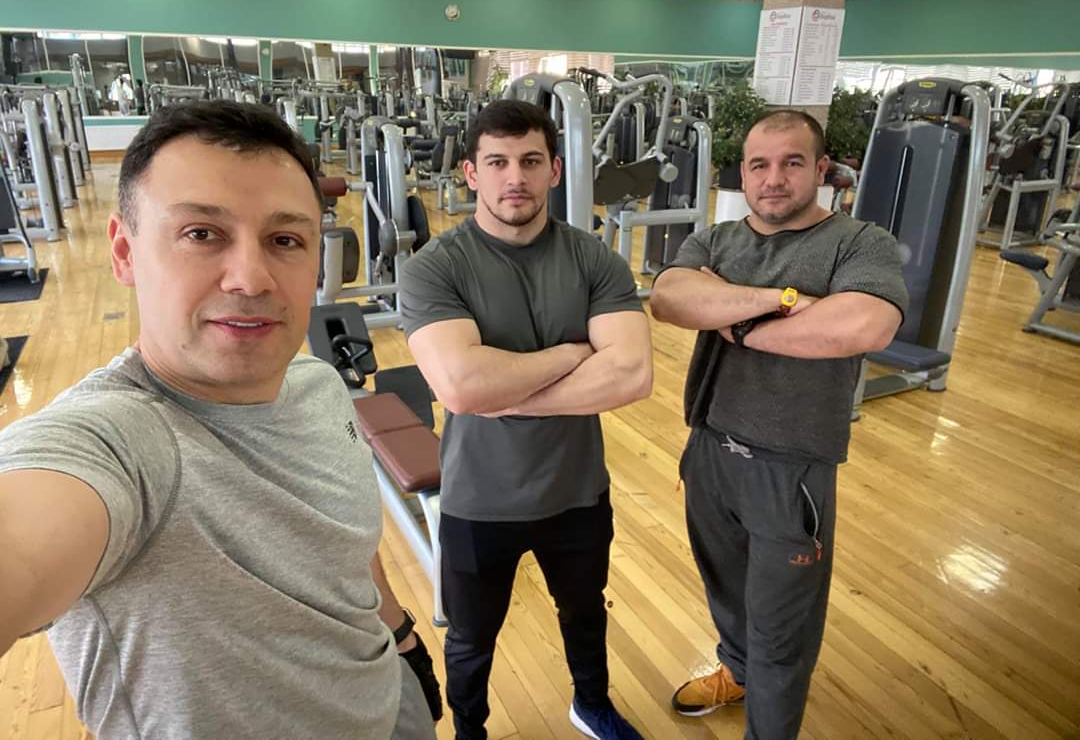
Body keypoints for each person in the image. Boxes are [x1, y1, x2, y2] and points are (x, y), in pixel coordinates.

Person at [0, 101, 439, 740]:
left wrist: (399, 635)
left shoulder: (319, 386)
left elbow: (344, 550)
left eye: (285, 240)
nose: (251, 278)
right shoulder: (118, 442)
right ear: (124, 252)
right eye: (202, 234)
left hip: (390, 700)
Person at [650, 109, 909, 740]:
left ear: (821, 169)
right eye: (759, 165)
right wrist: (782, 302)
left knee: (782, 629)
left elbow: (864, 324)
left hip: (790, 467)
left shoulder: (859, 242)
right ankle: (736, 669)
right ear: (743, 173)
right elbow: (670, 298)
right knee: (725, 589)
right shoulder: (717, 239)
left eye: (792, 163)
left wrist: (730, 316)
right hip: (709, 447)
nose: (773, 179)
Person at [399, 100, 653, 740]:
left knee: (585, 613)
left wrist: (506, 394)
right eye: (498, 162)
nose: (515, 177)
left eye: (531, 161)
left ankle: (591, 706)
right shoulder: (436, 267)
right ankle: (471, 733)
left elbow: (631, 374)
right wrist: (573, 354)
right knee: (471, 637)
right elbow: (463, 385)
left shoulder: (593, 258)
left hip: (577, 489)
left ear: (555, 170)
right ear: (471, 173)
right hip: (480, 497)